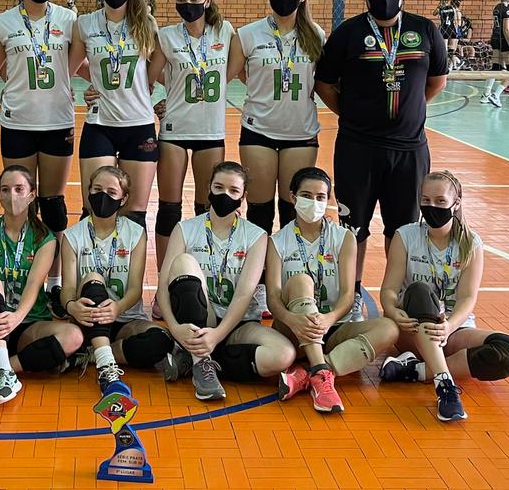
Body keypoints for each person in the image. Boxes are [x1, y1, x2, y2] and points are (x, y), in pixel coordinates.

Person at [314, 0, 448, 288]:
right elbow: (324, 84)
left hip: (409, 149)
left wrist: (410, 110)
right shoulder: (348, 33)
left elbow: (437, 81)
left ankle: (396, 293)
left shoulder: (425, 30)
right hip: (357, 147)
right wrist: (352, 114)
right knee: (353, 228)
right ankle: (351, 292)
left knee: (403, 230)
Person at [378, 171, 509, 423]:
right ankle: (444, 385)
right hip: (412, 327)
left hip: (452, 329)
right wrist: (393, 312)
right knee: (420, 290)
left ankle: (416, 370)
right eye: (425, 200)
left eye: (440, 201)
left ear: (456, 203)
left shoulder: (470, 243)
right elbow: (388, 290)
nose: (431, 207)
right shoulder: (405, 236)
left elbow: (467, 298)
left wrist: (449, 326)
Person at [155, 161, 293, 400]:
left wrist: (217, 335)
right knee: (183, 262)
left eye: (233, 190)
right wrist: (174, 327)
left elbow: (244, 294)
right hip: (201, 317)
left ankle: (194, 358)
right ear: (208, 188)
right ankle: (202, 365)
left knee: (283, 355)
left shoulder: (256, 236)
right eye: (218, 187)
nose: (225, 195)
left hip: (238, 323)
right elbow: (162, 287)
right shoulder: (185, 229)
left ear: (243, 196)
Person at [266, 167, 398, 414]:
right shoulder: (277, 241)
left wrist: (328, 319)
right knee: (300, 281)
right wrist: (291, 319)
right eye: (306, 195)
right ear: (292, 197)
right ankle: (321, 375)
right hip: (293, 328)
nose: (314, 202)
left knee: (389, 328)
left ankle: (313, 372)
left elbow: (348, 295)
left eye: (320, 197)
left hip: (333, 326)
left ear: (328, 200)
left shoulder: (344, 238)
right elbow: (273, 298)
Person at [0, 166, 82, 405]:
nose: (12, 195)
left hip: (27, 322)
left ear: (32, 195)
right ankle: (2, 371)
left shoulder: (45, 239)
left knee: (73, 336)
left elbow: (33, 285)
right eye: (5, 189)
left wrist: (16, 318)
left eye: (19, 189)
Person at [0, 0, 78, 290]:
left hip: (57, 121)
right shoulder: (4, 22)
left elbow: (81, 64)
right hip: (18, 123)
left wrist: (106, 88)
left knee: (53, 205)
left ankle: (54, 281)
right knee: (19, 203)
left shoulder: (69, 20)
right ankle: (22, 278)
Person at [151, 0, 243, 271]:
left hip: (210, 131)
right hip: (174, 130)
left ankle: (203, 272)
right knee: (169, 209)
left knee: (208, 208)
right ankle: (166, 276)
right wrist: (167, 94)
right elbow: (146, 78)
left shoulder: (225, 32)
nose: (187, 4)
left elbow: (234, 72)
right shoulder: (167, 35)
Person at [60, 165, 172, 390]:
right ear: (89, 191)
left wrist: (117, 308)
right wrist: (72, 307)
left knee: (162, 340)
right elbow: (68, 290)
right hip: (88, 319)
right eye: (97, 189)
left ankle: (93, 354)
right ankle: (107, 367)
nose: (103, 196)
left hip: (124, 319)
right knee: (93, 279)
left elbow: (135, 290)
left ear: (123, 199)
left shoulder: (135, 233)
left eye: (111, 192)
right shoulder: (73, 236)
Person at [236, 0, 326, 238]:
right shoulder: (249, 34)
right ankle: (260, 264)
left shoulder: (316, 35)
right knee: (259, 211)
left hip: (300, 132)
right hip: (258, 130)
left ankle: (287, 262)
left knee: (292, 209)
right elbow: (238, 73)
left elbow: (321, 81)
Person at [71, 0, 158, 228]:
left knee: (134, 215)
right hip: (100, 125)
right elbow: (71, 66)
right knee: (96, 208)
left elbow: (156, 71)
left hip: (139, 124)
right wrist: (96, 81)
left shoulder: (146, 23)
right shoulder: (85, 24)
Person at [482, 0, 509, 106]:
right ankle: (500, 94)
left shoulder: (497, 7)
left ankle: (486, 94)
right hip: (503, 39)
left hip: (495, 37)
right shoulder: (506, 9)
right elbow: (506, 29)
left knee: (496, 66)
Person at [436, 0, 460, 71]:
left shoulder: (440, 8)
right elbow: (456, 20)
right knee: (451, 50)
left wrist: (439, 6)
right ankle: (454, 65)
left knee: (446, 49)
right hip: (451, 29)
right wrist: (457, 30)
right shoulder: (452, 8)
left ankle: (448, 65)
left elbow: (434, 13)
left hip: (444, 29)